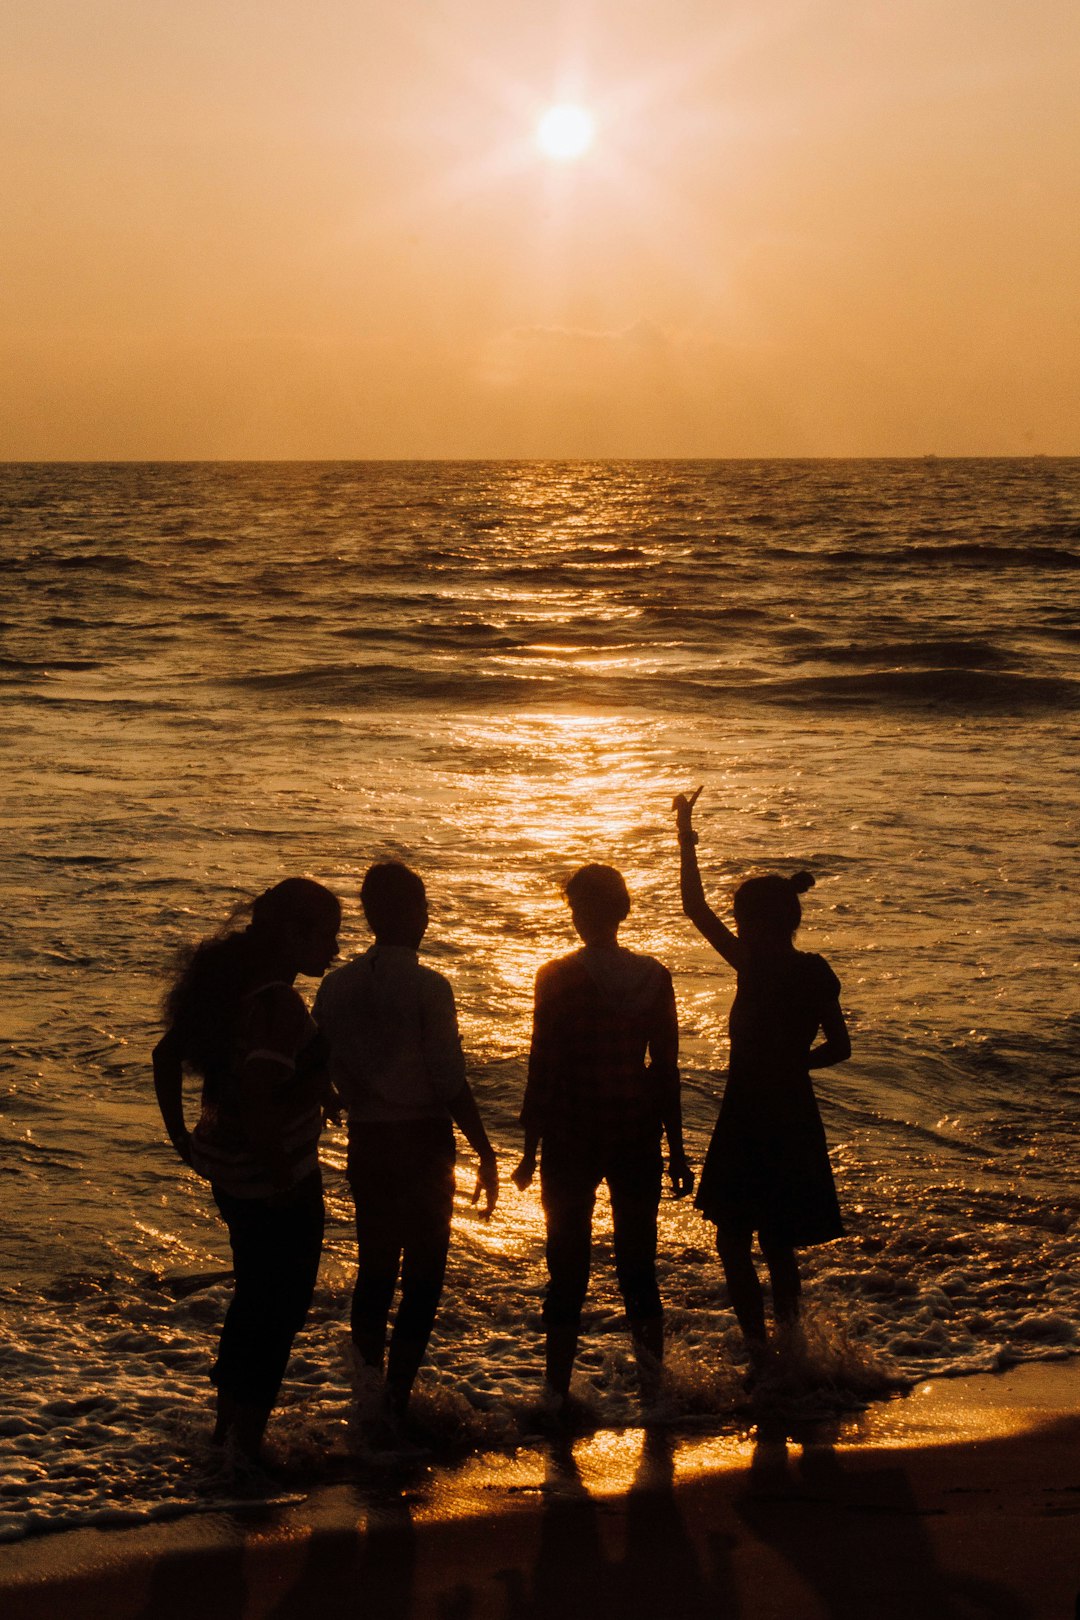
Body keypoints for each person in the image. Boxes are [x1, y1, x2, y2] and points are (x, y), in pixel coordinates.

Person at [152, 877, 342, 1458]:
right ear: (291, 934)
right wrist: (283, 1177)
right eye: (326, 936)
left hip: (228, 1173)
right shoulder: (280, 1003)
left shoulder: (230, 988)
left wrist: (181, 1137)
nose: (333, 950)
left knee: (253, 1298)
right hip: (270, 1180)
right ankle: (246, 1450)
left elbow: (166, 1057)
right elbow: (260, 1094)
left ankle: (225, 1434)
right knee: (279, 1311)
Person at [673, 788, 851, 1376]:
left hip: (749, 1111)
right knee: (777, 1242)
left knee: (734, 1240)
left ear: (752, 923)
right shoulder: (813, 970)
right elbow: (840, 1047)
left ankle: (761, 1354)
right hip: (793, 1111)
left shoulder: (752, 964)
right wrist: (796, 1066)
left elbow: (694, 907)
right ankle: (791, 1351)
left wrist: (684, 832)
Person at [313, 861, 498, 1422]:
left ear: (369, 915)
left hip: (370, 1141)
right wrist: (485, 1150)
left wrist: (337, 1098)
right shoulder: (428, 986)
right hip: (422, 1141)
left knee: (375, 1271)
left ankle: (368, 1394)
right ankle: (396, 1396)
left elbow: (316, 1058)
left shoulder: (337, 985)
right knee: (423, 1275)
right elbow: (448, 1081)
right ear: (417, 914)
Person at [512, 864, 694, 1410]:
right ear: (623, 910)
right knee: (638, 1262)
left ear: (579, 914)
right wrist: (677, 1150)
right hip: (636, 1132)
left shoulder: (557, 975)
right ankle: (654, 1390)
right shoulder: (653, 976)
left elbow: (543, 1064)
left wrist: (528, 1149)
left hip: (571, 1133)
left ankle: (556, 1392)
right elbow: (665, 1069)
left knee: (566, 1265)